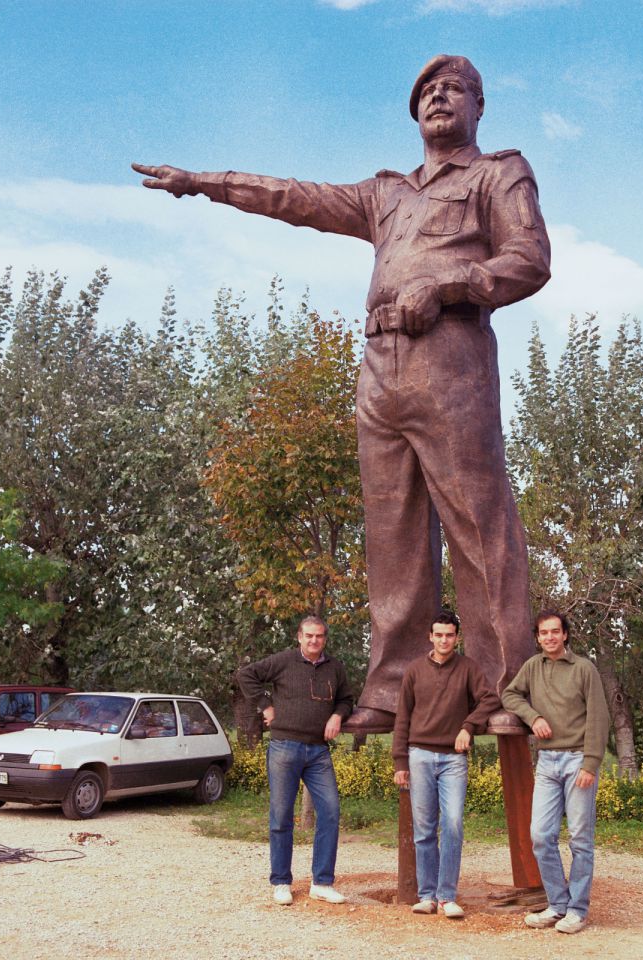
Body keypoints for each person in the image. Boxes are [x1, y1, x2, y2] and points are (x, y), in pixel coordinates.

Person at [132, 54, 550, 728]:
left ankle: (504, 689)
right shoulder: (386, 194)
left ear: (478, 106)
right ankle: (390, 690)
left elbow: (529, 260)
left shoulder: (497, 174)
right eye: (428, 92)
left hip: (452, 356)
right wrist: (203, 183)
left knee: (480, 525)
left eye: (455, 90)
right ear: (415, 112)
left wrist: (448, 285)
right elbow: (294, 197)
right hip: (380, 367)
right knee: (393, 538)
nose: (440, 98)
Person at [501, 611, 610, 935]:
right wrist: (533, 718)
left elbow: (599, 717)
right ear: (538, 637)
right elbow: (509, 694)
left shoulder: (584, 669)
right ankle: (557, 905)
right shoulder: (533, 667)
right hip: (547, 762)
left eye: (555, 632)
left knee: (580, 838)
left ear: (565, 635)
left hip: (578, 761)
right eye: (543, 633)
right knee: (541, 836)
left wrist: (591, 763)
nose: (549, 637)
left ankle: (577, 910)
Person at [236, 616, 354, 905]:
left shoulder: (335, 667)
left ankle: (322, 883)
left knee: (330, 812)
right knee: (281, 817)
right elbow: (245, 675)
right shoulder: (284, 661)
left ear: (325, 638)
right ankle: (281, 882)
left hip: (318, 752)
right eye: (309, 636)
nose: (314, 641)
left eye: (320, 636)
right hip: (284, 748)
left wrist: (338, 715)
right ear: (299, 636)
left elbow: (346, 699)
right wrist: (265, 706)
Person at [392, 610, 499, 919]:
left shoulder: (468, 668)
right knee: (424, 830)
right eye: (438, 634)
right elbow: (403, 718)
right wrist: (401, 760)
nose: (443, 640)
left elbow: (490, 699)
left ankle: (447, 896)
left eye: (449, 635)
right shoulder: (413, 671)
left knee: (452, 824)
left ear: (457, 637)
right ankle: (426, 896)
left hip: (453, 759)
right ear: (430, 636)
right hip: (419, 756)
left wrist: (468, 726)